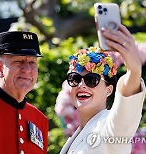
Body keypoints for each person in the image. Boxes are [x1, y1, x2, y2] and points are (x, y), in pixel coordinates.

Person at [59, 24, 146, 154]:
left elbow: (126, 110)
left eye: (91, 80)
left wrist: (134, 71)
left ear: (109, 90)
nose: (81, 84)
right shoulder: (76, 136)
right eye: (75, 78)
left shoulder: (110, 128)